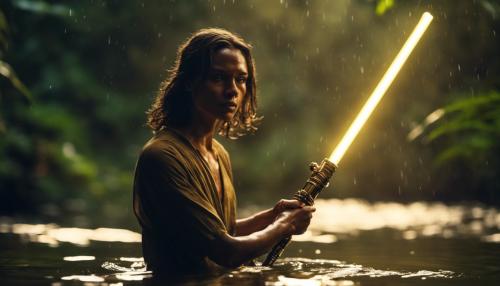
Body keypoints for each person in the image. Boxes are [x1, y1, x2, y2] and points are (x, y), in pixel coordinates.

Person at [133, 28, 315, 277]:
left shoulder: (218, 153)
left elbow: (220, 231)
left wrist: (272, 217)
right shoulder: (162, 157)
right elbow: (226, 251)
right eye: (219, 78)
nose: (232, 90)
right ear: (189, 81)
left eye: (241, 80)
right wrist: (284, 226)